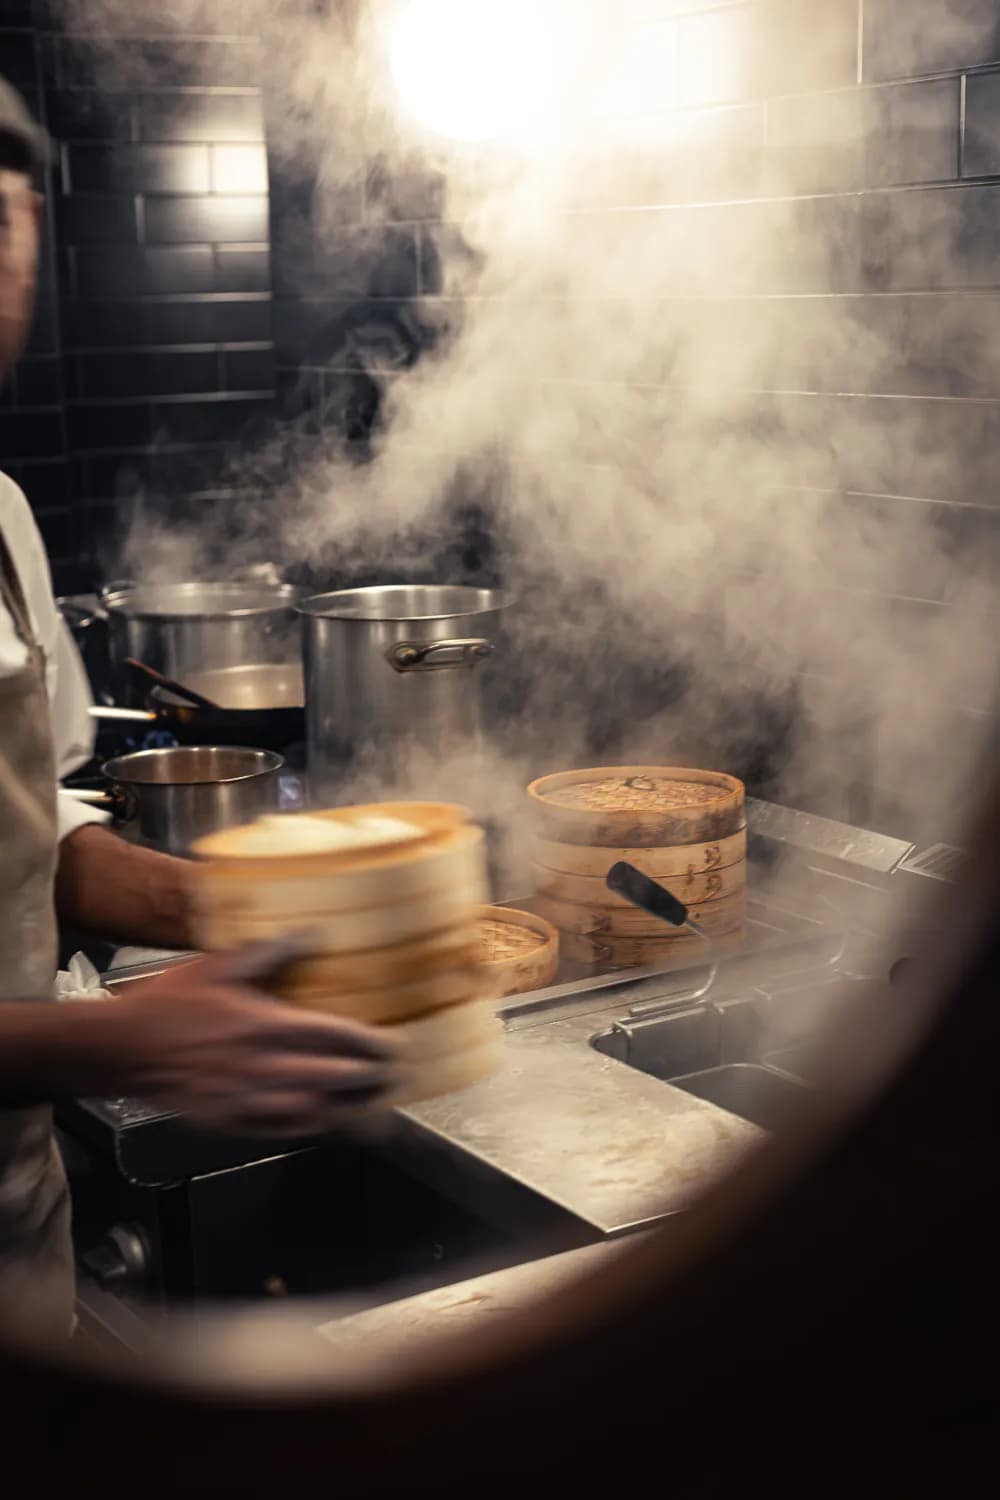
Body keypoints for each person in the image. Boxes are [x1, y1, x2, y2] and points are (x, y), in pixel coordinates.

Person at [0, 77, 403, 1339]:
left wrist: (231, 906)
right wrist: (115, 1043)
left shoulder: (0, 517)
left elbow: (37, 833)